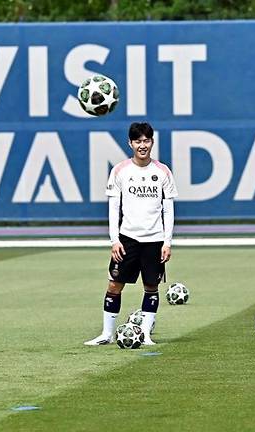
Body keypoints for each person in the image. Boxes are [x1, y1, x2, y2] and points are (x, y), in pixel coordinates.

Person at [84, 122, 178, 346]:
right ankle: (106, 334)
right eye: (138, 141)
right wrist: (114, 240)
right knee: (114, 285)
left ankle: (145, 335)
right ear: (130, 143)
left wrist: (167, 242)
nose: (142, 145)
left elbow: (168, 209)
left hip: (154, 240)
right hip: (127, 239)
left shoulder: (163, 171)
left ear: (152, 142)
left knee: (151, 287)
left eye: (146, 141)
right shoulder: (120, 171)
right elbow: (113, 207)